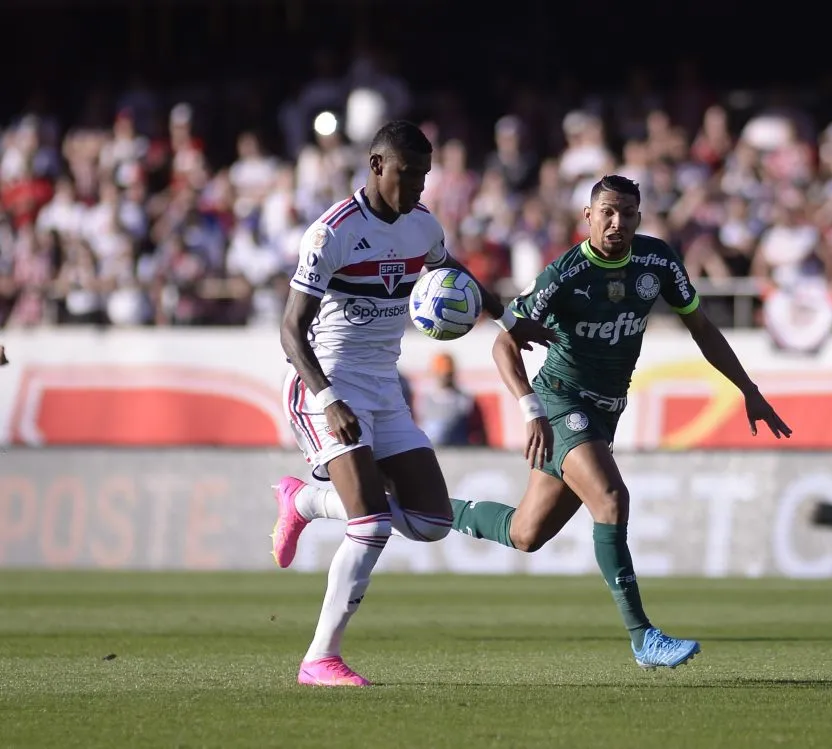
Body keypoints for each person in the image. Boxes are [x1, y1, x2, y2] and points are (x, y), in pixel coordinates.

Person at [449, 175, 792, 670]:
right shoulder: (563, 275)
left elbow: (701, 327)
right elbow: (504, 342)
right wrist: (530, 408)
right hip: (561, 401)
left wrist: (749, 389)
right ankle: (643, 637)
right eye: (607, 212)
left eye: (627, 213)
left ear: (639, 217)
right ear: (587, 216)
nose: (617, 222)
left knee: (525, 534)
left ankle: (418, 506)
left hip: (605, 412)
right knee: (611, 498)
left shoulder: (657, 261)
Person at [274, 120, 555, 687]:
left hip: (383, 387)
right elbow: (290, 331)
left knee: (429, 522)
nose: (419, 186)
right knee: (372, 523)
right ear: (377, 166)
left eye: (425, 175)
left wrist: (507, 318)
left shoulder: (421, 227)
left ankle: (305, 502)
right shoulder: (331, 233)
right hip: (327, 385)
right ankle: (319, 659)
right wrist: (327, 398)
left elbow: (453, 275)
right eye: (409, 173)